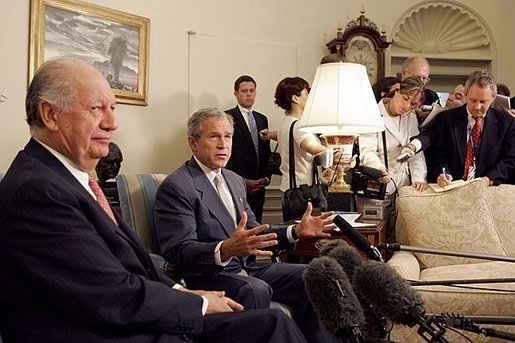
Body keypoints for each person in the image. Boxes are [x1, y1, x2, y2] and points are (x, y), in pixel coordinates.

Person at [0, 57, 307, 343]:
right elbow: (111, 294)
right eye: (96, 109)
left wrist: (181, 291)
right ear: (50, 114)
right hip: (111, 331)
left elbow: (132, 265)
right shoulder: (37, 190)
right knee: (271, 326)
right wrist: (197, 302)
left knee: (277, 318)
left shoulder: (65, 179)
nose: (112, 124)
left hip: (133, 315)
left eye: (113, 108)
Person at [154, 107, 337, 343]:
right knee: (255, 289)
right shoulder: (178, 186)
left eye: (228, 136)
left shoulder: (234, 180)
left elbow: (255, 231)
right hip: (208, 275)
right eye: (214, 136)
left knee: (319, 275)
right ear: (193, 142)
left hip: (248, 268)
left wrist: (295, 231)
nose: (223, 144)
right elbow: (178, 250)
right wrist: (226, 249)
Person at [432, 70, 515, 187]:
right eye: (473, 100)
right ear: (466, 95)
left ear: (493, 97)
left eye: (483, 101)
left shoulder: (507, 123)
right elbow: (437, 155)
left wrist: (488, 180)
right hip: (452, 188)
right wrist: (441, 173)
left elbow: (510, 159)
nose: (477, 107)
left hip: (488, 189)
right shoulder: (446, 119)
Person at [359, 76, 428, 194]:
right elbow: (367, 152)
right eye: (405, 98)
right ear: (396, 91)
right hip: (379, 184)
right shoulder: (372, 114)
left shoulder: (411, 117)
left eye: (412, 104)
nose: (406, 106)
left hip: (404, 188)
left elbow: (416, 152)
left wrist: (419, 178)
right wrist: (379, 170)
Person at [275, 77, 333, 198]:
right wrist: (332, 152)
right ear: (295, 98)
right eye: (306, 93)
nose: (309, 97)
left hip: (289, 189)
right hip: (304, 191)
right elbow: (309, 146)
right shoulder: (300, 125)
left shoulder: (286, 123)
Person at [225, 75, 271, 222]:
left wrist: (265, 179)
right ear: (236, 93)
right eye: (244, 91)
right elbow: (227, 153)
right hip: (236, 185)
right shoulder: (227, 117)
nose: (249, 94)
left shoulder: (261, 119)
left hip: (259, 188)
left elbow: (265, 153)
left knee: (257, 229)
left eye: (252, 90)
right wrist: (242, 181)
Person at [401, 56, 440, 125]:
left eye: (424, 78)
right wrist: (414, 113)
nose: (421, 82)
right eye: (417, 77)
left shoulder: (432, 97)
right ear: (404, 74)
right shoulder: (393, 90)